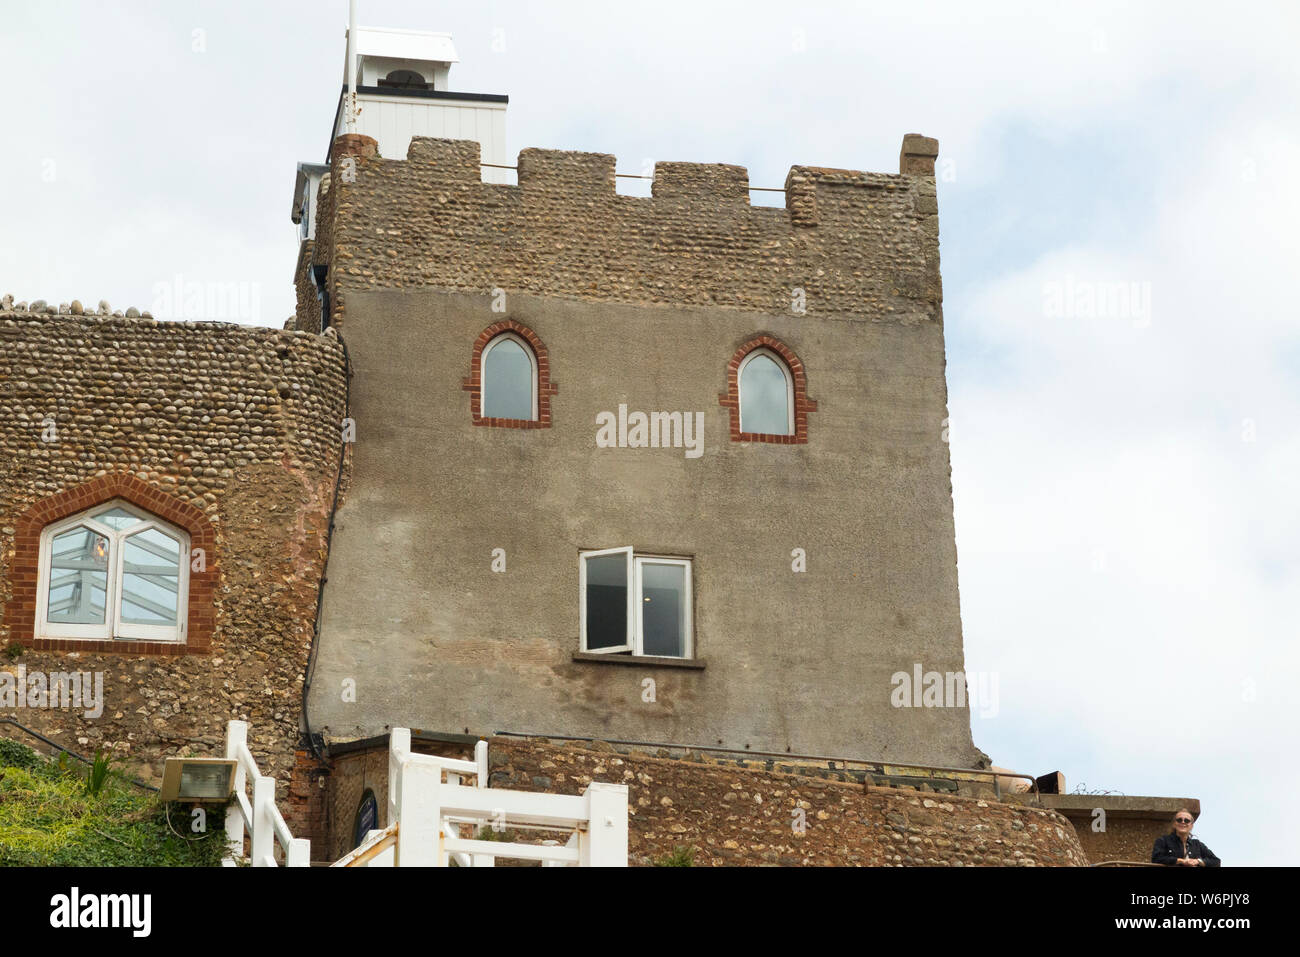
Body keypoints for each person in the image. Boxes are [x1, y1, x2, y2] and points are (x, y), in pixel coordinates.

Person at [1151, 808, 1220, 867]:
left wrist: (1197, 861)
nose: (1183, 822)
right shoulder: (1163, 840)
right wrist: (1180, 861)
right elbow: (1156, 858)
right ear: (1174, 824)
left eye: (1187, 820)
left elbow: (1216, 861)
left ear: (1191, 825)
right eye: (1179, 820)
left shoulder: (1197, 844)